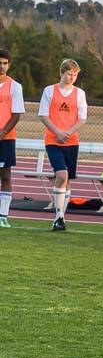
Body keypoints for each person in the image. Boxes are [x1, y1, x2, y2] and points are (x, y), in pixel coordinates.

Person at [38, 59, 88, 231]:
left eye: (74, 74)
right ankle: (58, 216)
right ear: (61, 73)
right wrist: (57, 132)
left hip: (71, 141)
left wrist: (69, 132)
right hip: (53, 140)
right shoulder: (49, 91)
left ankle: (61, 218)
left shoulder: (80, 93)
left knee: (67, 181)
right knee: (61, 175)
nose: (71, 77)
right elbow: (43, 115)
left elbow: (82, 118)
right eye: (69, 73)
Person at [0, 48, 25, 228]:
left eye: (5, 63)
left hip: (6, 138)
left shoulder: (15, 86)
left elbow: (16, 114)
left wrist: (2, 132)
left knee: (5, 176)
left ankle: (3, 216)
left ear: (9, 65)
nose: (2, 66)